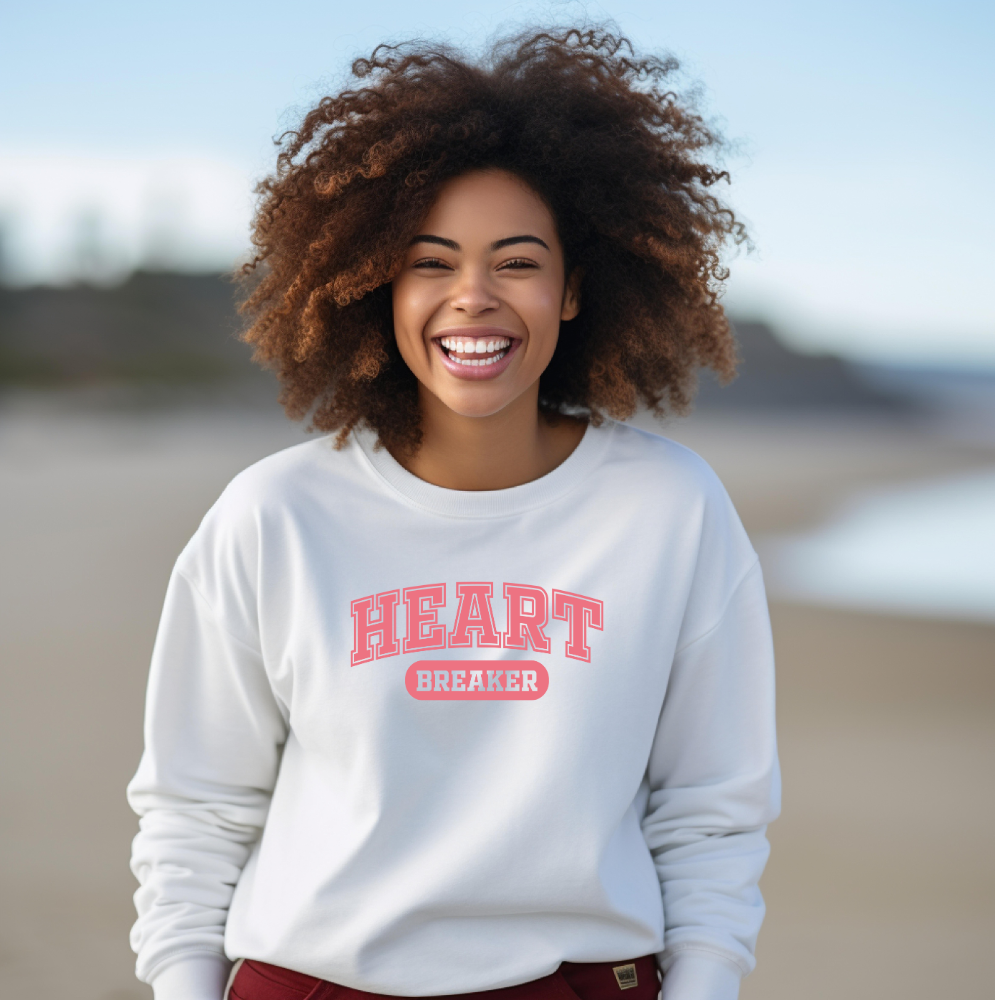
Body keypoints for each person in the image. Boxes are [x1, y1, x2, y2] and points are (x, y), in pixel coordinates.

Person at [127, 26, 780, 1000]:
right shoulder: (276, 514)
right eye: (430, 262)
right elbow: (195, 807)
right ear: (376, 285)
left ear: (572, 290)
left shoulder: (667, 510)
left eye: (516, 262)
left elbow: (710, 812)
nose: (471, 297)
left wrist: (706, 983)